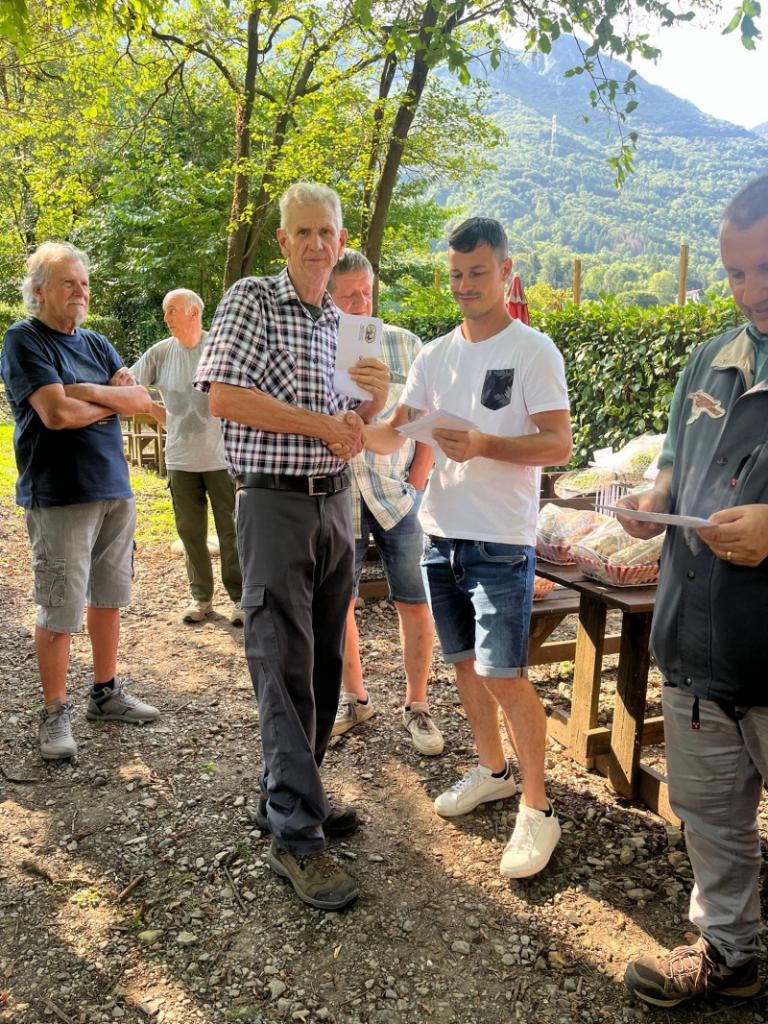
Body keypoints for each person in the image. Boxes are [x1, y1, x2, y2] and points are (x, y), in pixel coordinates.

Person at [194, 183, 389, 911]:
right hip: (274, 503)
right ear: (283, 241)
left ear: (341, 242)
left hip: (336, 503)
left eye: (325, 232)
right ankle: (296, 839)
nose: (315, 243)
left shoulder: (342, 321)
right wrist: (323, 426)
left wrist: (373, 399)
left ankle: (289, 793)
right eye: (301, 231)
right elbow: (223, 396)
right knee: (282, 664)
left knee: (324, 664)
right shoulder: (252, 299)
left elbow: (354, 421)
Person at [358, 217, 572, 879]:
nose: (464, 285)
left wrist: (484, 444)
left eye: (477, 272)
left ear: (506, 272)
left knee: (504, 674)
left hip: (501, 542)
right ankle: (492, 771)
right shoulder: (434, 355)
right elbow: (391, 434)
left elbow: (558, 445)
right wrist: (357, 418)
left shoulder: (533, 350)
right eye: (455, 274)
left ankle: (537, 809)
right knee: (466, 667)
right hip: (439, 534)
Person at [621, 174, 768, 1008]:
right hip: (698, 648)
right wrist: (653, 499)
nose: (751, 291)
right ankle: (728, 951)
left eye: (767, 269)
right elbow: (675, 462)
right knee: (710, 816)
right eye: (737, 273)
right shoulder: (711, 359)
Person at [0, 242, 161, 761]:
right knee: (59, 604)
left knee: (108, 596)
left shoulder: (96, 342)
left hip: (114, 488)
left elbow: (141, 402)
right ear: (39, 291)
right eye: (68, 283)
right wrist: (107, 398)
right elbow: (56, 415)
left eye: (84, 283)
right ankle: (54, 711)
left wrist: (82, 390)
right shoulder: (23, 339)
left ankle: (105, 693)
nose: (81, 291)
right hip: (60, 494)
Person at [327, 250, 442, 755]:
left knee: (415, 598)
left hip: (398, 494)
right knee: (340, 603)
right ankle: (356, 698)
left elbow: (426, 419)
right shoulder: (315, 346)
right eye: (348, 295)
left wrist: (418, 477)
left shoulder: (404, 343)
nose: (360, 303)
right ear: (328, 296)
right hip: (338, 494)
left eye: (366, 293)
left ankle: (418, 704)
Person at [130, 289, 243, 625]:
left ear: (194, 312)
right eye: (166, 311)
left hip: (221, 460)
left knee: (232, 532)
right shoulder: (160, 353)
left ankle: (242, 599)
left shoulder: (219, 348)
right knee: (190, 532)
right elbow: (128, 385)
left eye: (172, 310)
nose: (166, 317)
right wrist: (157, 410)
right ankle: (201, 599)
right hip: (180, 461)